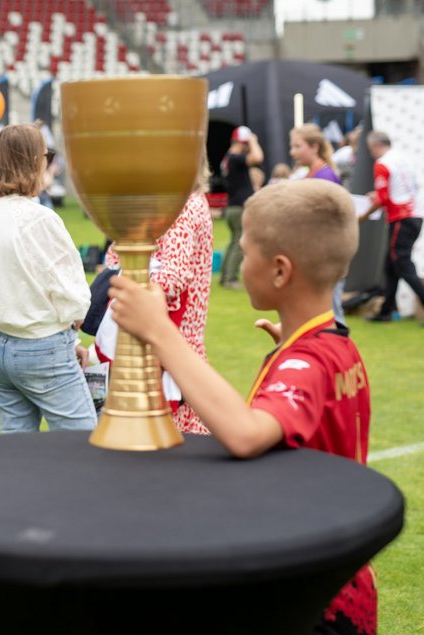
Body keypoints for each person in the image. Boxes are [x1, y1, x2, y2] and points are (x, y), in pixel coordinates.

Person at [109, 178, 375, 635]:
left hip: (315, 601)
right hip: (337, 579)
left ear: (279, 271)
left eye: (246, 251)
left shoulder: (307, 362)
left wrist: (161, 333)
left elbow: (246, 434)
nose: (239, 261)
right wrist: (283, 356)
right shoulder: (333, 347)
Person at [0, 124, 95, 433]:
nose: (48, 163)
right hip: (40, 346)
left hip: (0, 343)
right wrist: (72, 328)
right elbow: (73, 297)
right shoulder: (38, 217)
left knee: (16, 453)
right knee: (82, 445)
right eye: (45, 156)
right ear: (32, 161)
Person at [99, 158, 215, 435]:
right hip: (162, 342)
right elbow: (115, 255)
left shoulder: (182, 205)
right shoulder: (171, 202)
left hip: (167, 344)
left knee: (165, 441)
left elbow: (174, 275)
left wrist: (130, 282)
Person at [361, 130, 424, 322]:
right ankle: (386, 310)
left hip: (401, 218)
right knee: (391, 265)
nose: (371, 153)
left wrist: (363, 215)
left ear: (376, 145)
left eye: (371, 149)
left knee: (402, 263)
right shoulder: (403, 159)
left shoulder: (383, 163)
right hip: (414, 215)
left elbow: (382, 198)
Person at [289, 123, 348, 324]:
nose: (293, 152)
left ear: (314, 147)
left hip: (326, 255)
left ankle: (343, 354)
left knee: (332, 314)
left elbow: (328, 220)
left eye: (298, 146)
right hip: (315, 254)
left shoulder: (324, 177)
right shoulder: (313, 174)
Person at [220, 125, 263, 289]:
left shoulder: (228, 158)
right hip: (240, 206)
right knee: (239, 243)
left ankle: (224, 276)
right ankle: (230, 279)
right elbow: (258, 157)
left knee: (233, 242)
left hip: (232, 206)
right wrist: (253, 141)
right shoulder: (236, 157)